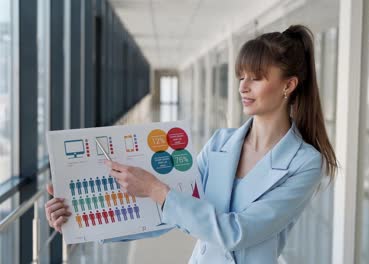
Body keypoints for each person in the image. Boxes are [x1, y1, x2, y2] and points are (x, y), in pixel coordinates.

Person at [44, 24, 337, 264]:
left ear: (289, 85)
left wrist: (157, 190)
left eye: (256, 78)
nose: (243, 87)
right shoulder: (220, 143)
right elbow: (172, 215)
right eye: (241, 77)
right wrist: (80, 218)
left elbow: (237, 232)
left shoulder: (305, 163)